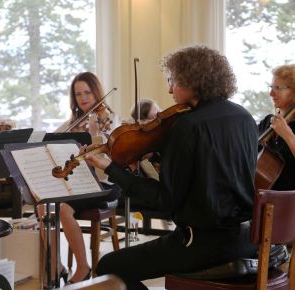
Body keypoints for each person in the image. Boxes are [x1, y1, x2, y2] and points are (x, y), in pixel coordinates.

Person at [84, 46, 259, 290]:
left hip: (200, 244)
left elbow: (165, 200)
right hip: (247, 240)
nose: (169, 89)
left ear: (192, 80)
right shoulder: (244, 117)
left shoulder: (187, 126)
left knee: (108, 267)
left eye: (173, 81)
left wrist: (113, 168)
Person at [42, 72, 121, 285]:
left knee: (64, 208)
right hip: (77, 184)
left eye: (87, 92)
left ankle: (83, 267)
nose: (83, 97)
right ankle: (55, 264)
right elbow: (50, 142)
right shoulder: (73, 122)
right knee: (42, 205)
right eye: (78, 94)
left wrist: (96, 134)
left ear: (97, 92)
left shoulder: (110, 120)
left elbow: (110, 159)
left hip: (104, 184)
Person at [257, 64, 295, 190]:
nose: (271, 93)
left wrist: (287, 134)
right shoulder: (268, 122)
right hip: (264, 199)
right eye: (271, 87)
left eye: (278, 88)